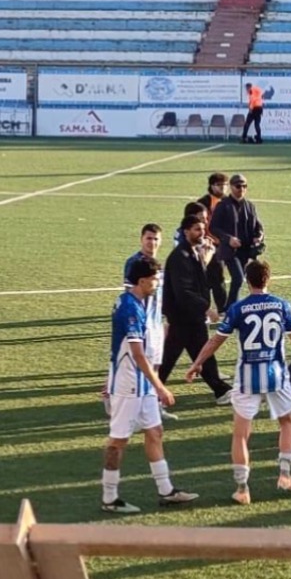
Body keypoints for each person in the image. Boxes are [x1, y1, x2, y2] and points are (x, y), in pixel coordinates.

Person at [187, 260, 291, 505]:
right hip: (276, 374)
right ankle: (285, 475)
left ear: (247, 280)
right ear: (268, 279)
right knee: (287, 423)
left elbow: (216, 341)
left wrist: (197, 362)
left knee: (241, 434)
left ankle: (242, 489)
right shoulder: (281, 305)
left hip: (246, 377)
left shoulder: (238, 309)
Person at [100, 255, 198, 514]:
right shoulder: (130, 308)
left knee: (154, 432)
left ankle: (166, 491)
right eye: (154, 280)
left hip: (141, 385)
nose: (157, 284)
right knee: (117, 441)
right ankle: (109, 497)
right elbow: (137, 354)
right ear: (142, 281)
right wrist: (161, 387)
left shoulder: (136, 302)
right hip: (129, 385)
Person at [159, 215, 233, 404]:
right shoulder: (180, 257)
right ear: (186, 232)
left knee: (202, 354)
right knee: (169, 359)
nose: (201, 233)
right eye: (196, 229)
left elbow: (199, 281)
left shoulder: (191, 253)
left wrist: (205, 260)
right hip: (183, 318)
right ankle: (149, 393)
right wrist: (207, 308)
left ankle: (220, 390)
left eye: (202, 229)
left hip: (190, 317)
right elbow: (184, 292)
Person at [122, 224, 173, 419]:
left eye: (156, 239)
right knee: (141, 367)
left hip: (156, 324)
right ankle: (133, 411)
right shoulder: (134, 263)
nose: (152, 242)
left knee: (156, 366)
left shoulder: (157, 264)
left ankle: (154, 408)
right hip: (142, 324)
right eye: (149, 238)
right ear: (141, 239)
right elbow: (131, 295)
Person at [209, 173, 264, 310]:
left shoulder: (249, 206)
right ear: (232, 187)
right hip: (230, 251)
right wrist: (228, 239)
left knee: (241, 280)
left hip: (246, 251)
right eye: (238, 186)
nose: (241, 189)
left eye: (244, 186)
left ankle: (232, 308)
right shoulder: (223, 205)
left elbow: (258, 226)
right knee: (238, 278)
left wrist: (259, 236)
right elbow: (213, 227)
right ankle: (231, 309)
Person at [195, 172, 229, 311]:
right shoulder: (203, 202)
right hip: (207, 245)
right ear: (211, 186)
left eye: (225, 185)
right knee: (207, 278)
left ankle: (222, 308)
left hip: (221, 245)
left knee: (218, 278)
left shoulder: (227, 201)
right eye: (219, 185)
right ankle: (209, 308)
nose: (222, 188)